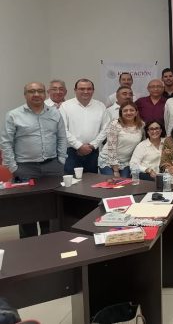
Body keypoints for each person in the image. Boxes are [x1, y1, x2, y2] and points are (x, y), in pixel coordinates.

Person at [0, 82, 67, 238]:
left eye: (39, 91)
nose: (36, 94)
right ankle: (28, 243)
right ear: (25, 94)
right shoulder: (13, 115)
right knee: (26, 209)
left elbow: (62, 137)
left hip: (52, 166)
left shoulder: (55, 113)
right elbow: (6, 142)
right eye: (31, 91)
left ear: (45, 93)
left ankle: (50, 239)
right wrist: (13, 167)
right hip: (24, 168)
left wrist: (61, 160)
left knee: (50, 206)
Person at [60, 79, 106, 173]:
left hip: (93, 151)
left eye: (89, 89)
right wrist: (79, 146)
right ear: (75, 90)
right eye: (82, 89)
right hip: (71, 151)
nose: (86, 91)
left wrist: (93, 145)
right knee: (71, 180)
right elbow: (62, 129)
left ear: (93, 90)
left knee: (91, 180)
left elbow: (106, 129)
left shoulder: (101, 106)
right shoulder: (65, 106)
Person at [98, 101, 144, 177]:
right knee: (113, 182)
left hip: (125, 162)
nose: (128, 113)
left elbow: (142, 144)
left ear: (136, 113)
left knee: (125, 182)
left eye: (131, 110)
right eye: (125, 110)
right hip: (108, 160)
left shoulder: (141, 125)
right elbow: (111, 148)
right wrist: (115, 170)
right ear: (121, 113)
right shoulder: (115, 124)